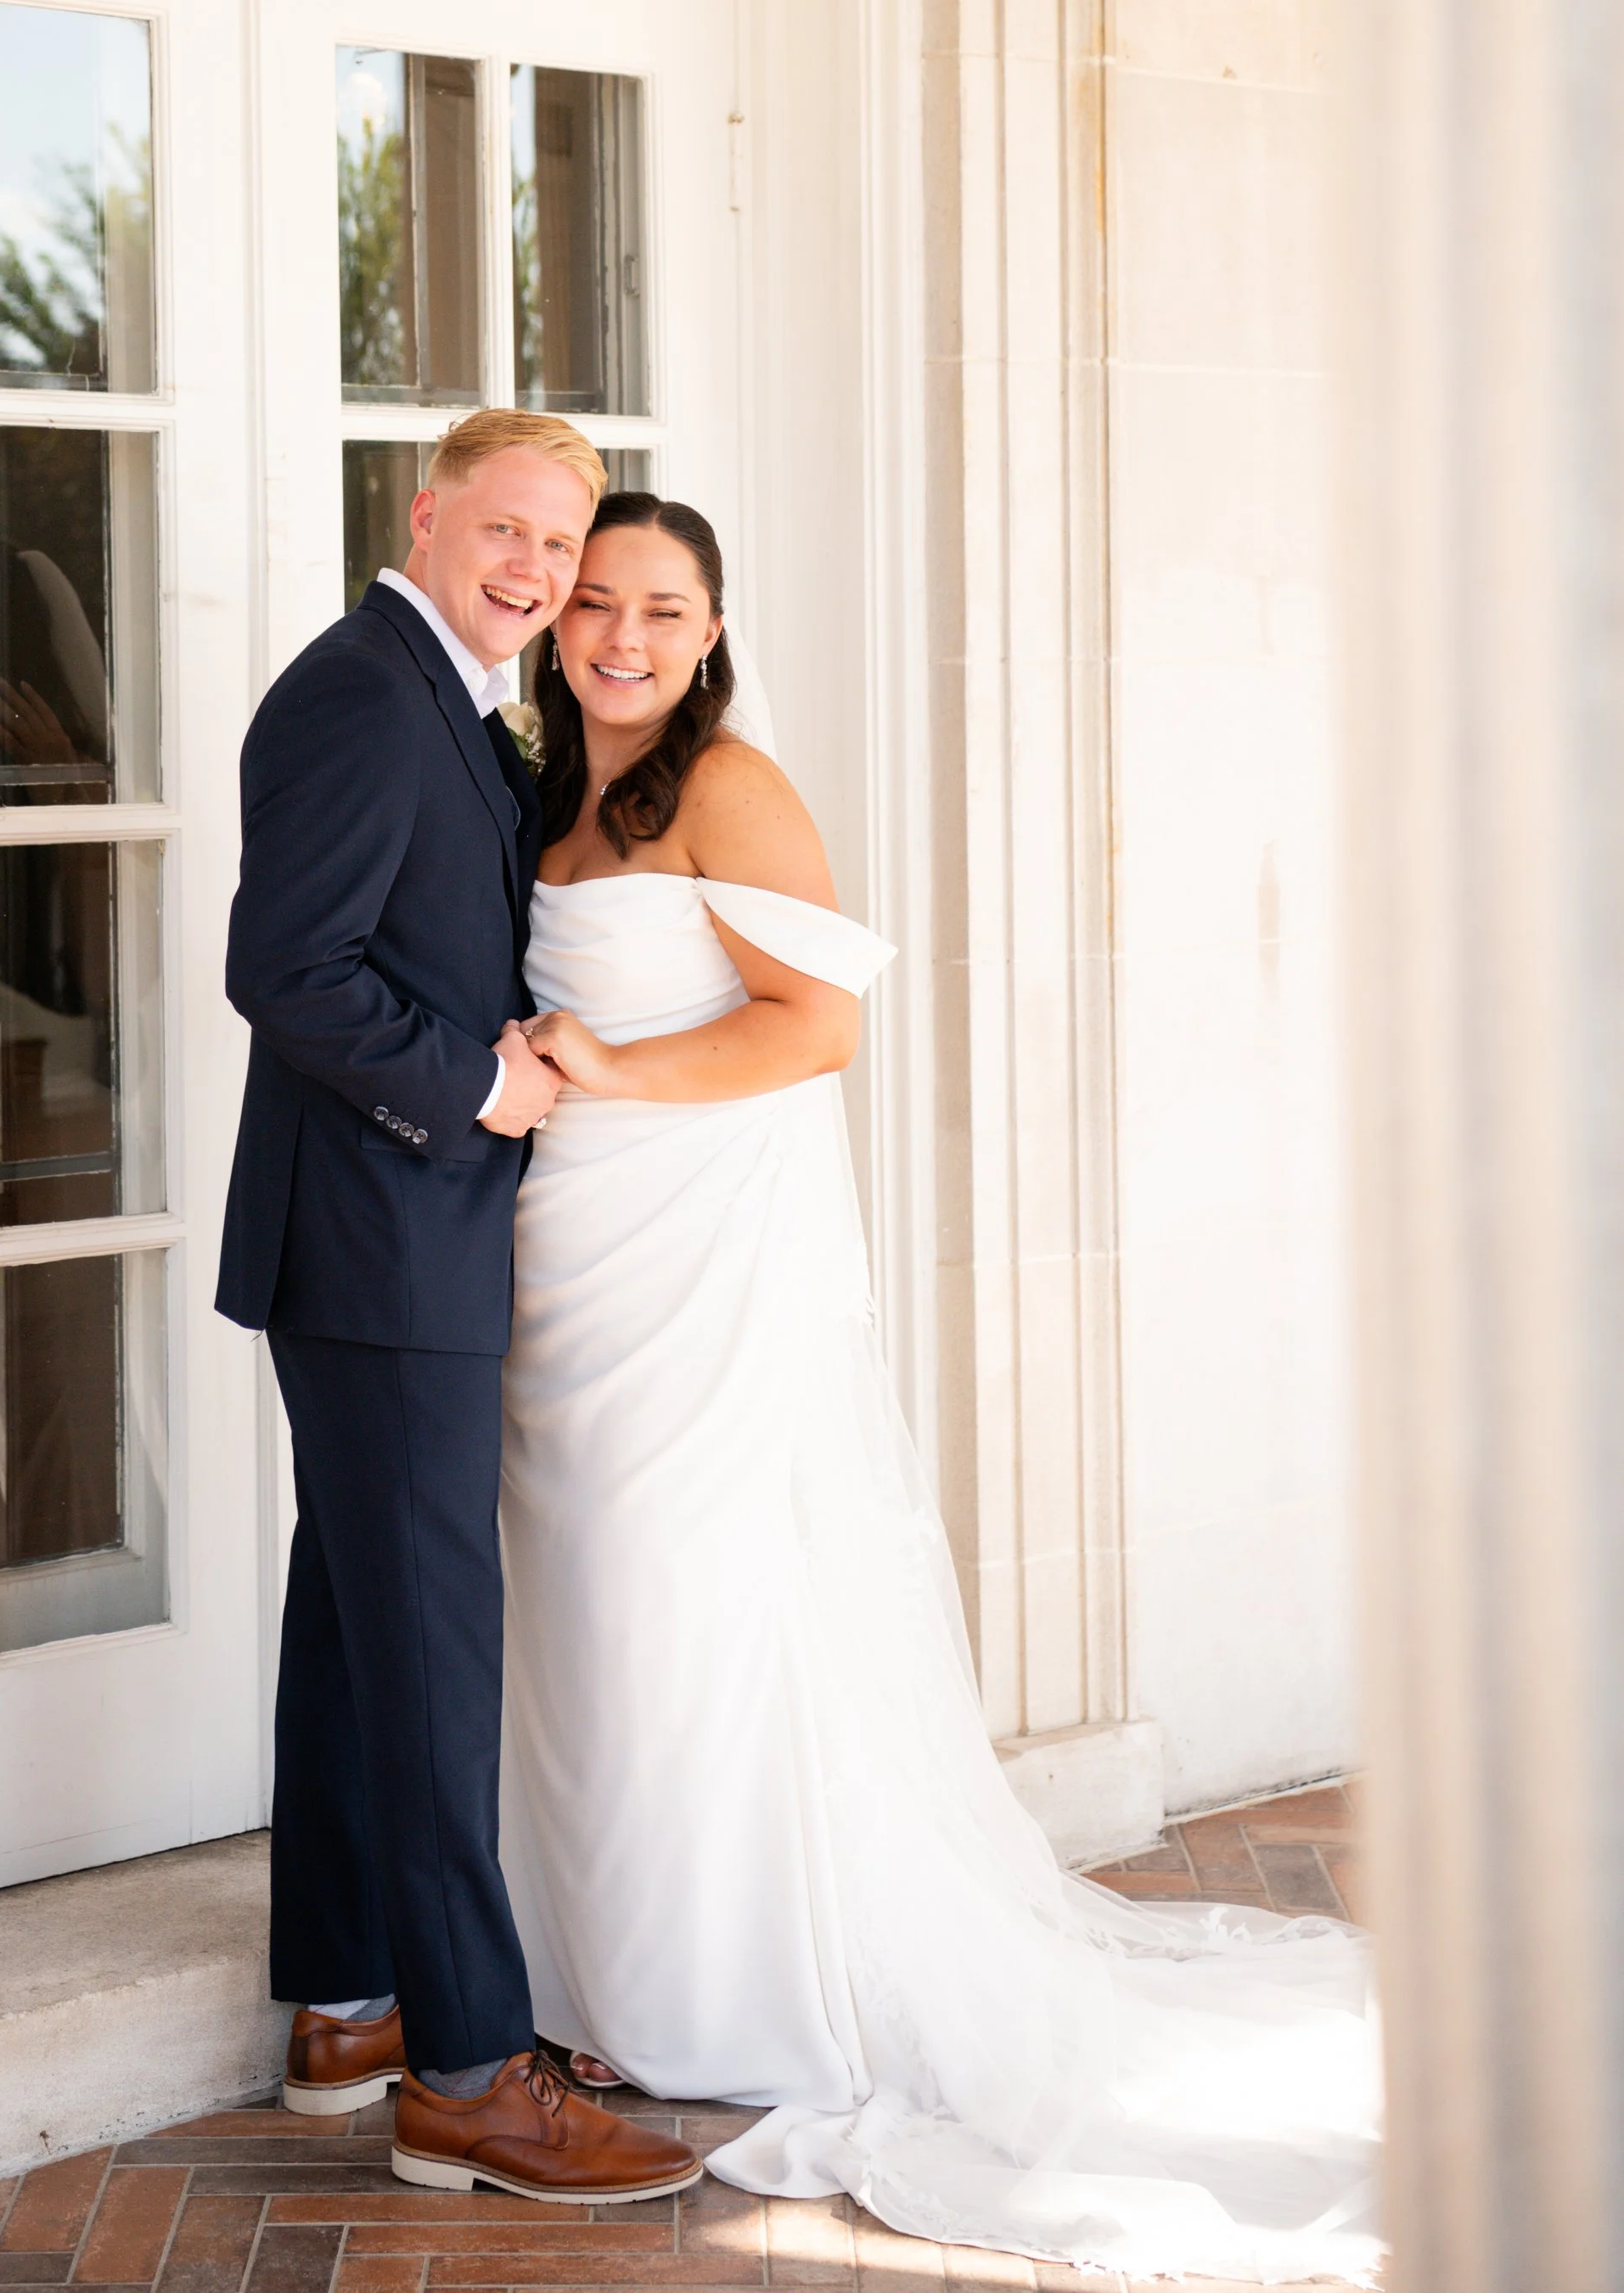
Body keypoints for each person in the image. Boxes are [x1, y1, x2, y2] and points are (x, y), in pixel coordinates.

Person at [499, 492, 1383, 2286]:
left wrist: (606, 1064)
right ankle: (588, 1969)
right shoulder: (542, 786)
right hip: (563, 1247)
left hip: (692, 1247)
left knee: (688, 1597)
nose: (619, 634)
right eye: (593, 600)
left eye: (659, 607)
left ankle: (718, 1988)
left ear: (709, 626)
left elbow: (814, 1025)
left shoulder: (726, 783)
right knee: (580, 1605)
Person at [216, 413, 703, 2208]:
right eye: (502, 532)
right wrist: (469, 1090)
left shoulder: (442, 696)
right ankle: (470, 2073)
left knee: (358, 1626)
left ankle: (346, 2009)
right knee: (433, 1653)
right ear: (423, 517)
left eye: (555, 553)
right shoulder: (359, 692)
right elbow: (285, 971)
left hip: (382, 1249)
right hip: (381, 1237)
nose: (531, 574)